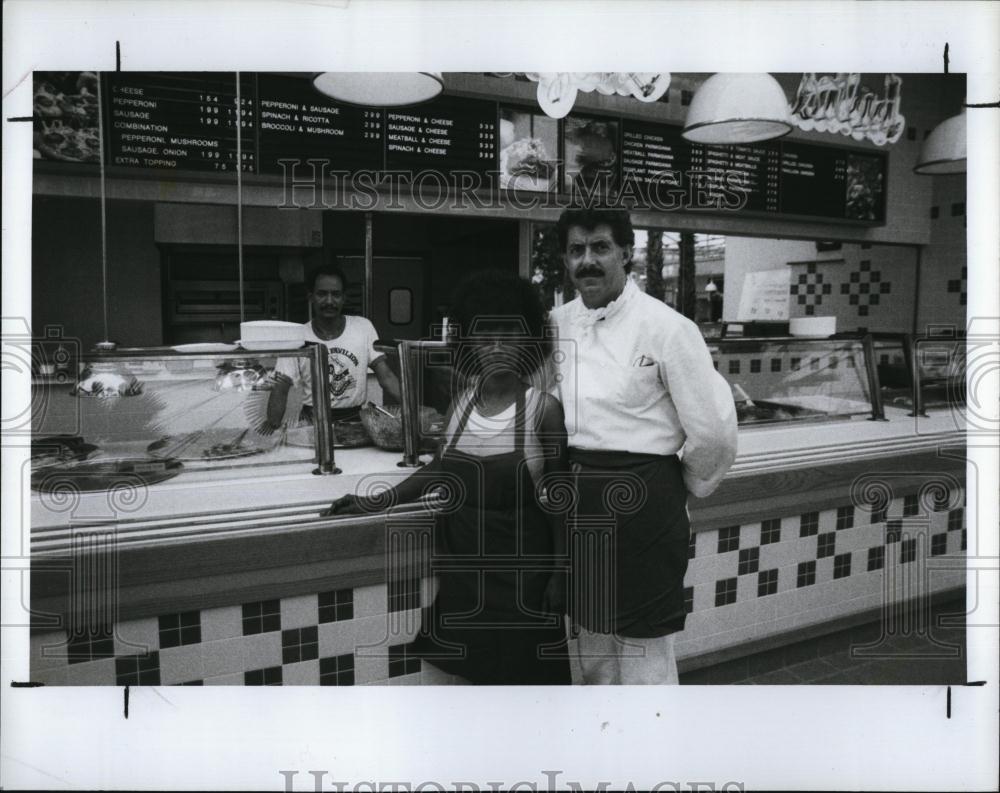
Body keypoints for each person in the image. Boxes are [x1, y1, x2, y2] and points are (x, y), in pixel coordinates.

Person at [324, 270, 571, 685]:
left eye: (508, 333)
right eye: (484, 333)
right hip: (461, 575)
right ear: (468, 341)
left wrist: (561, 575)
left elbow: (561, 501)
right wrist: (376, 500)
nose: (496, 346)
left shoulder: (543, 410)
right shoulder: (461, 403)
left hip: (522, 583)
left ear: (528, 339)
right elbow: (439, 470)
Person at [549, 208, 738, 685]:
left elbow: (713, 432)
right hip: (580, 504)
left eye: (600, 248)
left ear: (627, 253)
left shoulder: (668, 327)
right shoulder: (556, 323)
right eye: (576, 250)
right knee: (592, 655)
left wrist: (675, 488)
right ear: (565, 260)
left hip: (646, 507)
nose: (587, 261)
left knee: (643, 659)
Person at [269, 266, 400, 425]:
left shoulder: (362, 327)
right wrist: (272, 429)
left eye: (336, 294)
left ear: (344, 298)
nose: (329, 301)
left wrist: (413, 409)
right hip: (311, 423)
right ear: (311, 297)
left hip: (355, 421)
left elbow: (386, 377)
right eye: (322, 294)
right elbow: (280, 388)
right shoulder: (297, 336)